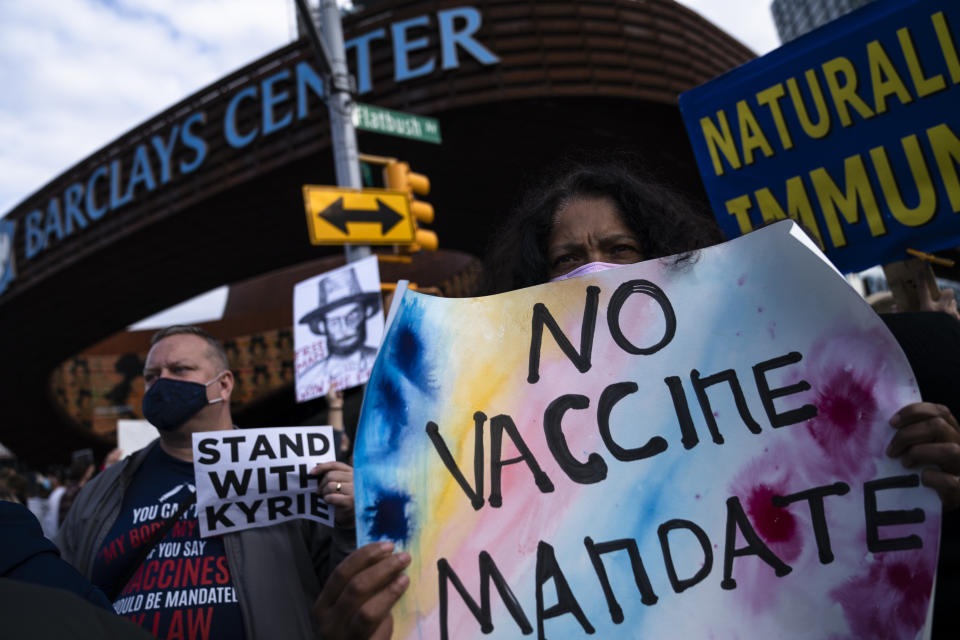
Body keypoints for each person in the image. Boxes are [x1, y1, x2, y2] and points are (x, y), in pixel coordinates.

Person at [482, 158, 960, 633]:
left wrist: (912, 466)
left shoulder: (761, 372)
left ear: (667, 257)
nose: (594, 270)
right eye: (567, 258)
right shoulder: (512, 433)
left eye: (619, 248)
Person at [57, 325, 409, 639]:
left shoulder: (293, 469)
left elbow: (341, 587)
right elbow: (61, 591)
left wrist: (350, 522)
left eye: (180, 370)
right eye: (152, 376)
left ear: (223, 385)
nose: (161, 383)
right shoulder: (102, 492)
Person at [298, 266, 381, 396]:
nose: (344, 329)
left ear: (366, 312)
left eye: (352, 317)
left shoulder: (383, 360)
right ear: (322, 326)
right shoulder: (309, 381)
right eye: (334, 322)